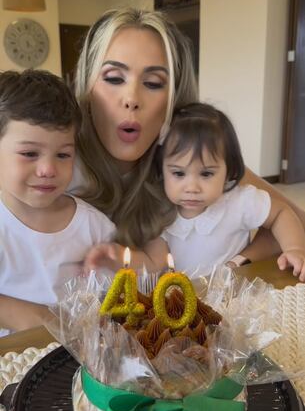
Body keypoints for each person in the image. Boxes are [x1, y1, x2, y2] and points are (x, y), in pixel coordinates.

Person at [1, 7, 305, 331]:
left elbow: (289, 221)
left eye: (154, 83)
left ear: (173, 101)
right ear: (87, 88)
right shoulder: (47, 167)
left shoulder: (191, 165)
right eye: (114, 78)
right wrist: (42, 321)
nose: (131, 98)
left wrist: (237, 262)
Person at [84, 102, 305, 281]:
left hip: (237, 300)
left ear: (228, 171)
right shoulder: (162, 213)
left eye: (206, 174)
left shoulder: (239, 201)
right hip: (188, 308)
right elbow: (153, 263)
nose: (191, 188)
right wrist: (117, 257)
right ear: (162, 171)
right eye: (179, 174)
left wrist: (294, 248)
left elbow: (280, 213)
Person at [0, 69, 116, 335]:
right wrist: (41, 317)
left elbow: (115, 298)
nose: (48, 169)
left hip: (78, 357)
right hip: (13, 363)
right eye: (30, 153)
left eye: (63, 155)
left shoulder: (94, 226)